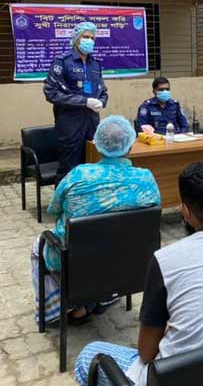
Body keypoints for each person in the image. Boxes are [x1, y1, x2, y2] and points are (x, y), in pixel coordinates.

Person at [74, 162, 203, 386]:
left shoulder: (167, 260)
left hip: (179, 377)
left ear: (185, 211)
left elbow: (146, 353)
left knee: (88, 355)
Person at [31, 116, 160, 325]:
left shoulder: (78, 175)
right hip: (129, 262)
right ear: (130, 145)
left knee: (40, 244)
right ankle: (102, 298)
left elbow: (54, 209)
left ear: (98, 145)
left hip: (77, 263)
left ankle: (61, 310)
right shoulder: (146, 178)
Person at [44, 22, 108, 184]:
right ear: (76, 39)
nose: (89, 40)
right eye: (85, 37)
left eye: (92, 38)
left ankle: (86, 204)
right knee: (69, 168)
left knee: (92, 165)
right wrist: (84, 101)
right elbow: (51, 92)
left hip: (92, 123)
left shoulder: (95, 64)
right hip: (70, 124)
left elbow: (103, 91)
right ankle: (63, 206)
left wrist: (101, 101)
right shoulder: (62, 62)